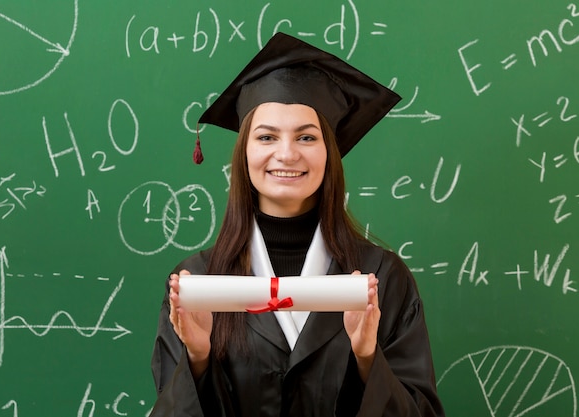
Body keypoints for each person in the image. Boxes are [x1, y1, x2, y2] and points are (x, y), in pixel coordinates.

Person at [149, 32, 445, 417]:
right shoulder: (198, 284)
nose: (286, 154)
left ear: (329, 152)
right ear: (245, 153)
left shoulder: (380, 279)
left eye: (306, 136)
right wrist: (199, 357)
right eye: (267, 136)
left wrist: (368, 357)